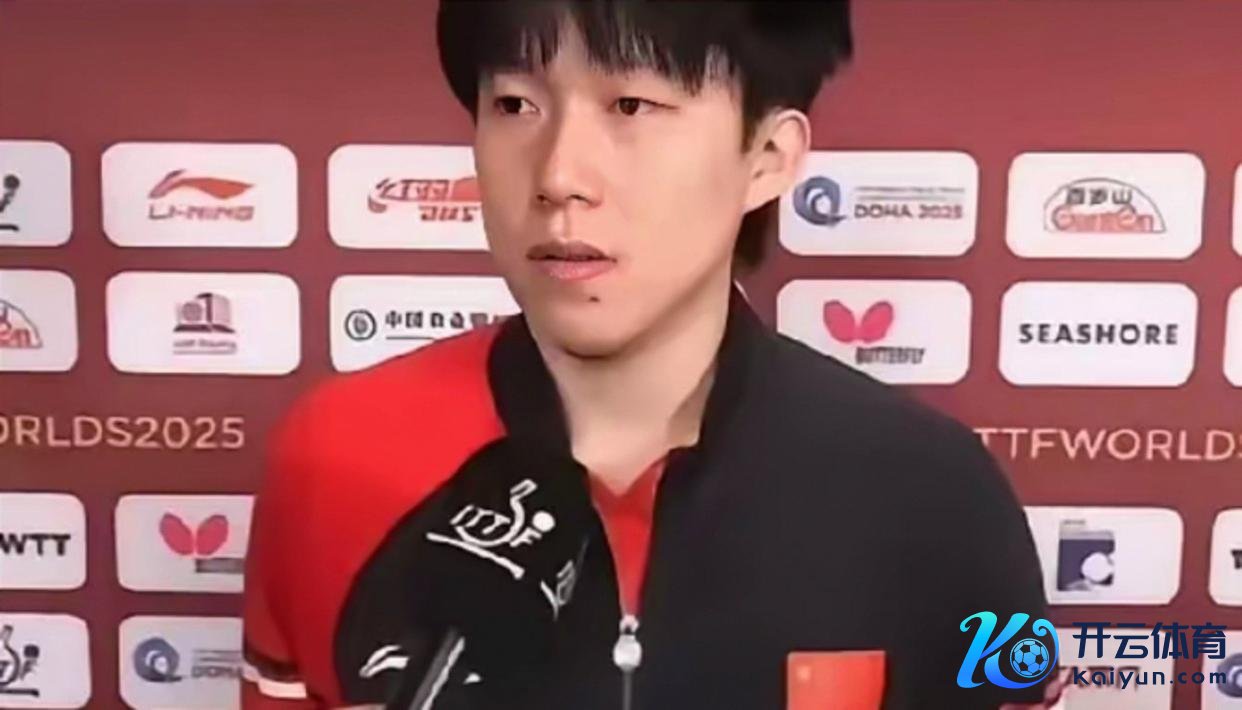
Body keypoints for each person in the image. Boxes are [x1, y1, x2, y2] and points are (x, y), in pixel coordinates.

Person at [242, 2, 1062, 708]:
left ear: (768, 159)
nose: (559, 175)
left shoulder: (934, 493)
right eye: (516, 104)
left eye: (630, 105)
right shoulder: (334, 455)